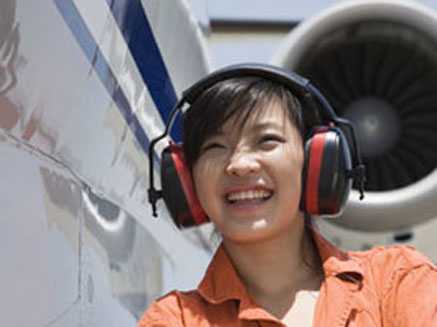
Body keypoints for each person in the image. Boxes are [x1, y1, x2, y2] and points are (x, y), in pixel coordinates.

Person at [139, 64, 437, 326]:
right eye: (214, 147)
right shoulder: (173, 320)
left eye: (267, 141)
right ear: (187, 181)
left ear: (317, 162)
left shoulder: (398, 283)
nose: (240, 165)